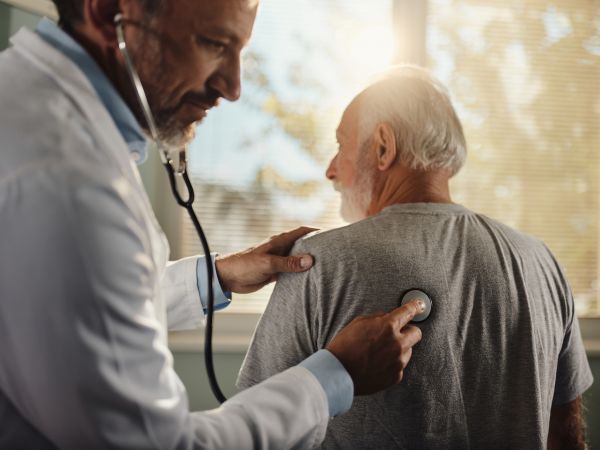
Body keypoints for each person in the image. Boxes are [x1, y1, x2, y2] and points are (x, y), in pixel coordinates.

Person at [0, 1, 426, 449]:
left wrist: (217, 276)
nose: (233, 87)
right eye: (214, 43)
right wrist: (334, 376)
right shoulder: (64, 180)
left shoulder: (27, 106)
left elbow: (73, 306)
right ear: (109, 13)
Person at [237, 65, 594, 449]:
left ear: (383, 147)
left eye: (341, 145)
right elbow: (565, 436)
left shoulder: (314, 262)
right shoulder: (540, 262)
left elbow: (256, 433)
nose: (330, 169)